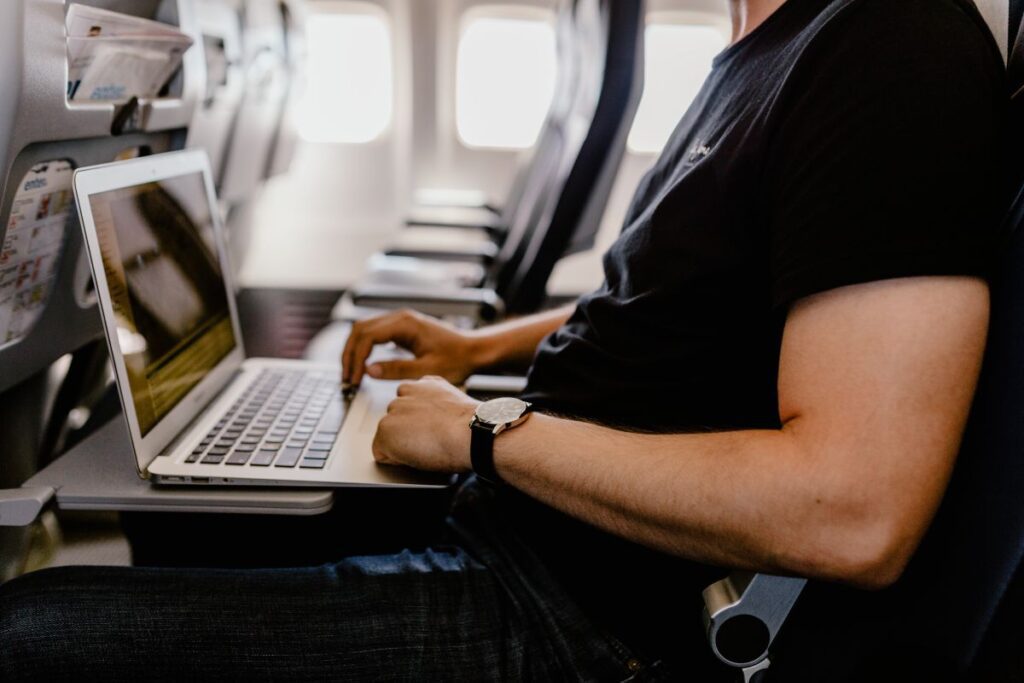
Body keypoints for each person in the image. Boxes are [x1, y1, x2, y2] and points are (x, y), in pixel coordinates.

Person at [0, 0, 1008, 680]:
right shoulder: (767, 43)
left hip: (578, 615)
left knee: (29, 627)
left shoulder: (892, 49)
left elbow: (853, 511)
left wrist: (485, 433)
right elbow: (677, 310)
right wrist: (478, 350)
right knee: (180, 515)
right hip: (517, 517)